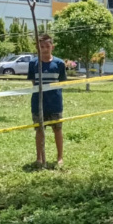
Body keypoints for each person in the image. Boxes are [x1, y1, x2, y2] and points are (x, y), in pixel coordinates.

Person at [28, 34, 67, 168]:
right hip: (38, 103)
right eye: (42, 47)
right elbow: (34, 81)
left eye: (47, 46)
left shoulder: (59, 63)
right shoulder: (33, 63)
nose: (45, 49)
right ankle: (39, 157)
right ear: (37, 47)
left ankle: (60, 157)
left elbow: (61, 81)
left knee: (58, 130)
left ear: (52, 47)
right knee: (39, 130)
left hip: (55, 103)